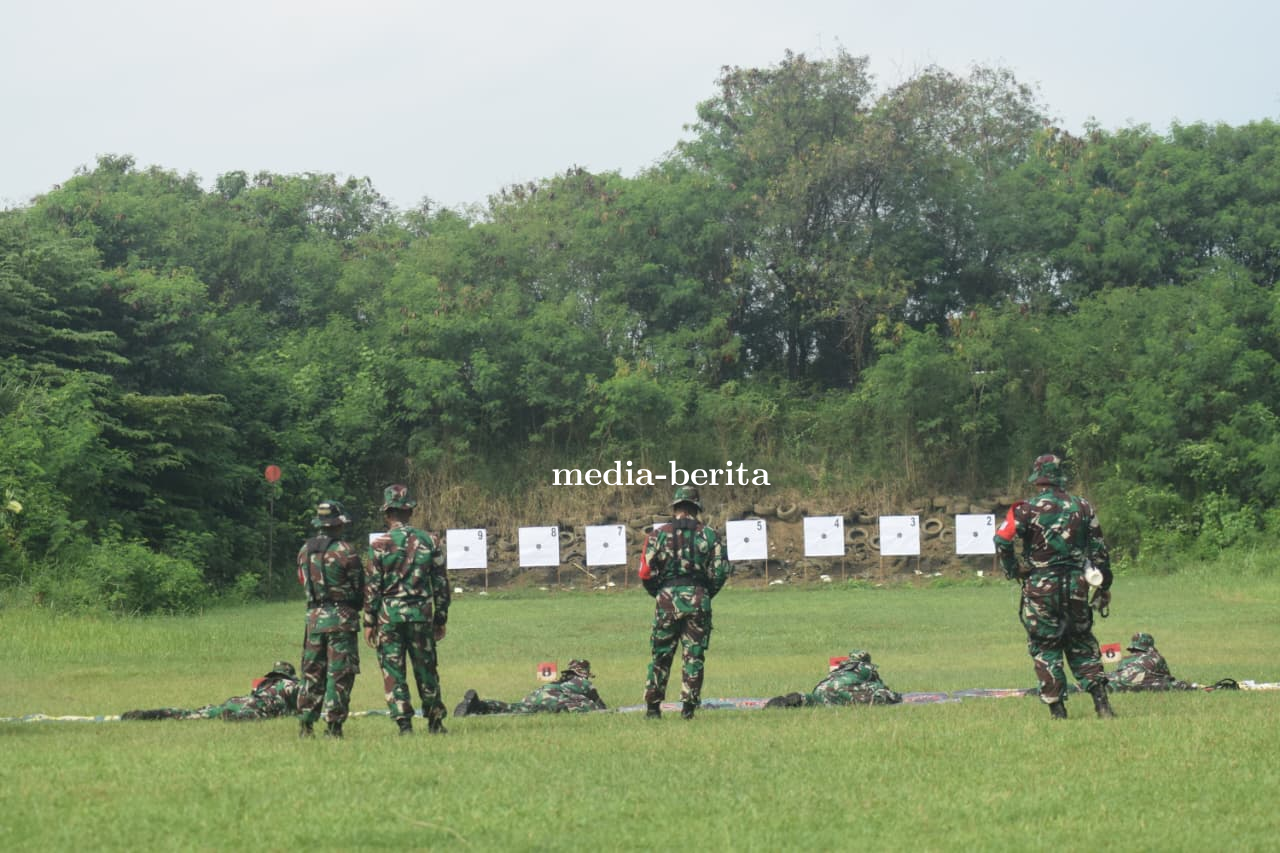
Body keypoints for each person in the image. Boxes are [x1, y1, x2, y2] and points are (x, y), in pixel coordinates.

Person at [994, 453, 1116, 719]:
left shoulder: (1024, 509)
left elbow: (1002, 540)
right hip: (1076, 586)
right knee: (1082, 642)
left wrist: (1014, 570)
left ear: (1038, 478)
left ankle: (1058, 711)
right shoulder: (1083, 506)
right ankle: (1102, 705)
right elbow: (1099, 551)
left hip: (1041, 588)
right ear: (1060, 478)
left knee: (1045, 646)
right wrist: (1103, 585)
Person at [639, 486, 733, 720]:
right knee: (694, 654)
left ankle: (653, 709)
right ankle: (688, 709)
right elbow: (721, 571)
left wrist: (660, 593)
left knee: (661, 654)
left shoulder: (657, 535)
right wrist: (705, 593)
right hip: (699, 598)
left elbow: (645, 572)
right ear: (696, 508)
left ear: (676, 507)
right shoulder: (710, 535)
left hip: (667, 600)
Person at [364, 483, 450, 735]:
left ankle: (404, 724)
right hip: (420, 616)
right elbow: (441, 584)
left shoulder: (379, 545)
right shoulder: (430, 541)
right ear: (410, 511)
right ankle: (435, 721)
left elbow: (372, 587)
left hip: (388, 617)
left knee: (393, 670)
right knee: (426, 668)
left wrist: (369, 622)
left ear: (387, 513)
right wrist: (441, 617)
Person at [296, 499, 364, 739]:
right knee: (340, 673)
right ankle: (334, 727)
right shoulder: (345, 550)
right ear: (337, 524)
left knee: (312, 672)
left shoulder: (304, 551)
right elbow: (359, 588)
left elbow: (303, 582)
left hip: (314, 618)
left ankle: (306, 724)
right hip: (341, 618)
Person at [121, 661, 299, 721]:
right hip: (261, 705)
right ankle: (239, 717)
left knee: (193, 714)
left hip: (237, 701)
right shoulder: (289, 685)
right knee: (255, 714)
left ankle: (150, 714)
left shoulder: (262, 683)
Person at [453, 659, 607, 716]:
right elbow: (601, 707)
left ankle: (480, 705)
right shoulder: (581, 681)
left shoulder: (558, 681)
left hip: (537, 696)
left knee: (512, 707)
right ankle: (479, 708)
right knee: (529, 713)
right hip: (554, 701)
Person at [764, 650, 903, 708]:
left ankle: (797, 699)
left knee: (814, 701)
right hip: (843, 691)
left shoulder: (840, 667)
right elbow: (879, 685)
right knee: (882, 693)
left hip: (820, 690)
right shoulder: (866, 667)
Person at [1109, 632, 1196, 692]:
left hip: (1118, 681)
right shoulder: (1156, 656)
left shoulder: (1124, 658)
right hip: (1143, 683)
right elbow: (1167, 677)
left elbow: (1120, 672)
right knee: (1178, 685)